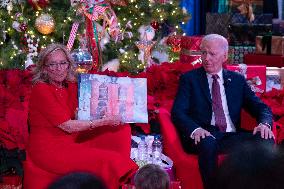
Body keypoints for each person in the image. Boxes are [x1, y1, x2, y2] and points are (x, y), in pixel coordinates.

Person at [27, 43, 138, 189]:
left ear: (68, 64)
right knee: (110, 160)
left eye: (62, 63)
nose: (58, 68)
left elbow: (78, 115)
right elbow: (68, 126)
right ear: (44, 68)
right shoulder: (41, 89)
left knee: (120, 131)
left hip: (71, 140)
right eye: (52, 64)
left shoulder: (69, 85)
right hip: (49, 150)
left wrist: (103, 110)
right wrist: (104, 121)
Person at [171, 34, 274, 188]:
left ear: (225, 56)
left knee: (265, 138)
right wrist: (196, 129)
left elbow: (261, 107)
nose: (206, 58)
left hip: (230, 136)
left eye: (212, 54)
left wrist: (264, 124)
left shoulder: (237, 80)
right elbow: (178, 112)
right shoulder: (189, 79)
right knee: (208, 143)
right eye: (203, 53)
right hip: (204, 136)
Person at [211, 141, 284, 189]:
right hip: (208, 135)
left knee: (265, 136)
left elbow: (264, 116)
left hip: (237, 135)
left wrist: (264, 124)